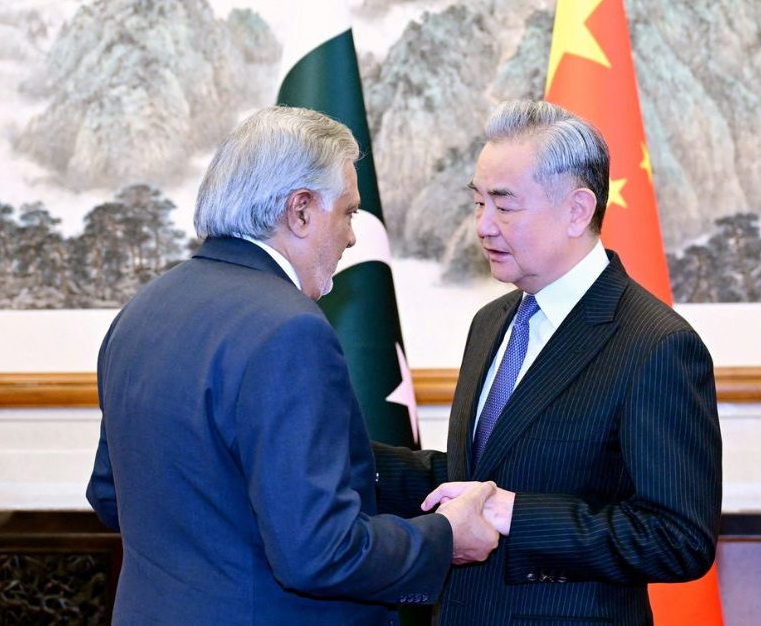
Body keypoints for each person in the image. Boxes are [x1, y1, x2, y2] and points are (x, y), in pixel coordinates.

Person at [86, 106, 499, 625]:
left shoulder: (142, 310)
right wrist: (446, 537)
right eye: (348, 212)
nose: (351, 237)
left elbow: (109, 493)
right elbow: (320, 551)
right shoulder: (289, 330)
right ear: (300, 210)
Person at [373, 100, 722, 625]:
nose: (483, 226)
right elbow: (478, 479)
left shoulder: (656, 344)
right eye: (477, 203)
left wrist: (517, 515)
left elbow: (678, 538)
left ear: (577, 210)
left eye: (504, 205)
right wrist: (347, 455)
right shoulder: (491, 322)